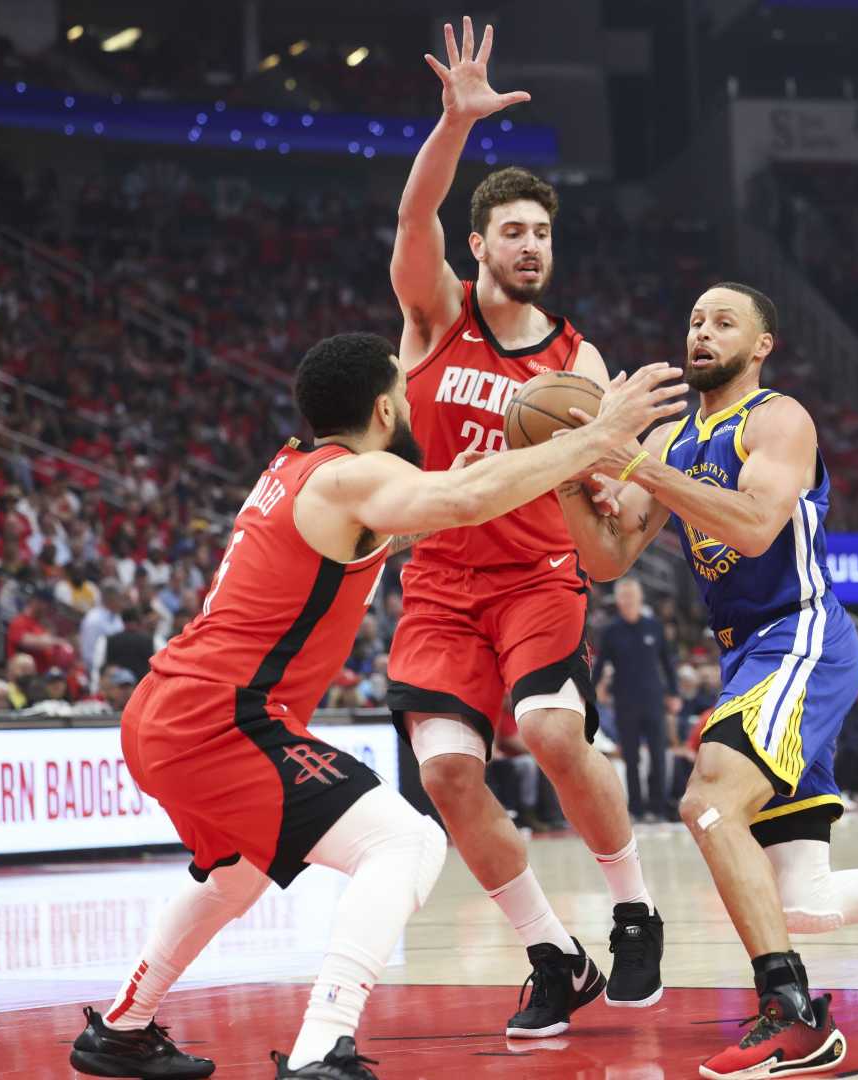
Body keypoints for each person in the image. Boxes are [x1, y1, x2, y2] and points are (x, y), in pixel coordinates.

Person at [68, 333, 684, 1080]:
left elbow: (391, 529)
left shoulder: (296, 468)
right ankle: (321, 1046)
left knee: (236, 872)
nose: (411, 410)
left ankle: (123, 1029)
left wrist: (453, 491)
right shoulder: (353, 475)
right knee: (406, 843)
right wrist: (597, 435)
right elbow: (461, 501)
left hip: (165, 712)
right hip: (220, 719)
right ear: (386, 408)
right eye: (404, 395)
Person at [557, 283, 858, 1078]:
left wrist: (637, 466)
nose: (702, 332)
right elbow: (607, 556)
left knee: (709, 803)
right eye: (694, 320)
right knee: (803, 903)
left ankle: (791, 1013)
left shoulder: (777, 419)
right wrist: (569, 469)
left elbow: (756, 528)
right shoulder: (671, 438)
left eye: (724, 322)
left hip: (801, 636)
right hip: (747, 655)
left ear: (761, 346)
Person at [384, 17, 664, 1031]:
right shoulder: (433, 311)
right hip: (438, 581)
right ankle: (554, 953)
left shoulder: (578, 366)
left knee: (548, 728)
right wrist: (456, 123)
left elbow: (609, 480)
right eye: (512, 232)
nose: (530, 246)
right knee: (447, 774)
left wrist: (615, 489)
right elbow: (412, 212)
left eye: (542, 233)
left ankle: (633, 908)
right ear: (480, 245)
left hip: (536, 576)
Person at [595, 578, 680, 821]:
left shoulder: (654, 627)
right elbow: (600, 666)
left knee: (658, 754)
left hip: (653, 700)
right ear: (618, 600)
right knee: (631, 757)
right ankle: (636, 809)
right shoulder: (610, 632)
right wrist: (589, 693)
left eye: (632, 595)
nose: (629, 600)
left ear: (640, 598)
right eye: (624, 596)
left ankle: (658, 808)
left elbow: (668, 663)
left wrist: (674, 693)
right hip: (625, 702)